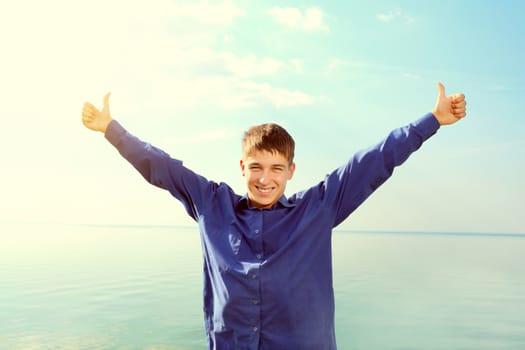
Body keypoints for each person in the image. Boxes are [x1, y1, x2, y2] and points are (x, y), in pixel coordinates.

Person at [81, 83, 467, 350]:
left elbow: (374, 160)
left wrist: (431, 121)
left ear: (291, 171)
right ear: (242, 166)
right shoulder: (211, 204)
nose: (265, 179)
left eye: (276, 168)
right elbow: (160, 166)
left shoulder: (317, 208)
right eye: (256, 167)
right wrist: (111, 131)